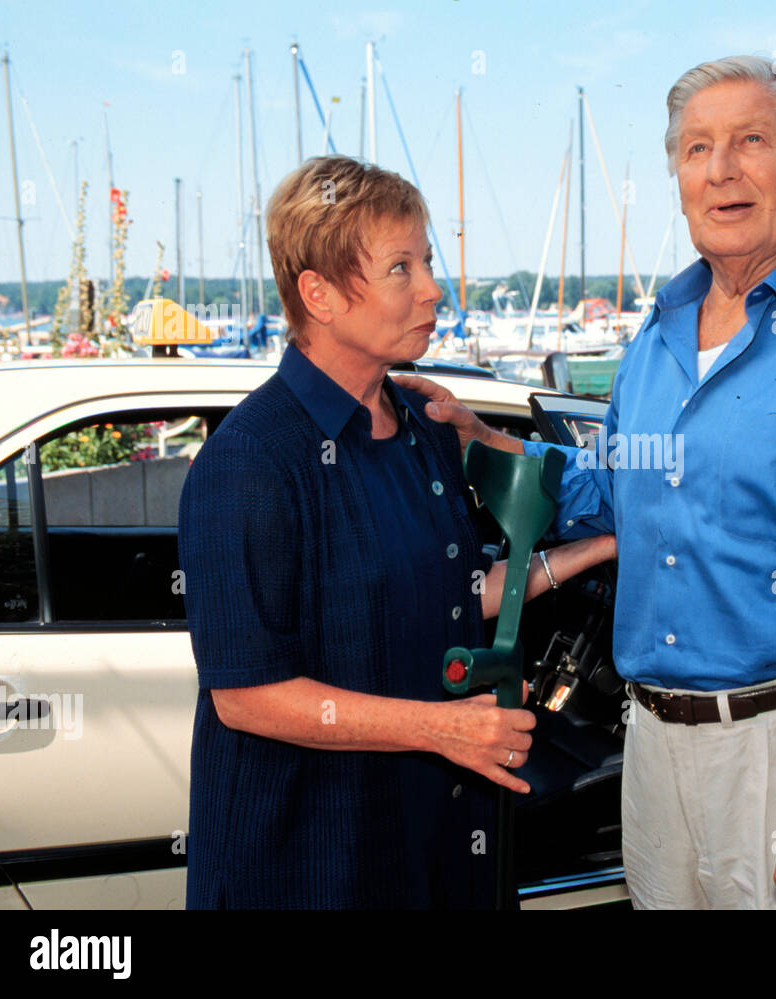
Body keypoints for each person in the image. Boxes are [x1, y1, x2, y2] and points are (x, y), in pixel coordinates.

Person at [406, 55, 776, 910]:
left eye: (752, 140)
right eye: (697, 148)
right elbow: (609, 493)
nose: (721, 170)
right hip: (658, 753)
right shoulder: (660, 333)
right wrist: (485, 438)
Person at [178, 155, 615, 909]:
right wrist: (442, 729)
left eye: (428, 262)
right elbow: (246, 696)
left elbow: (459, 592)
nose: (433, 289)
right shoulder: (248, 460)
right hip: (308, 862)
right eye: (400, 268)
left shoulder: (424, 428)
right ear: (317, 293)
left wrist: (601, 545)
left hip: (434, 847)